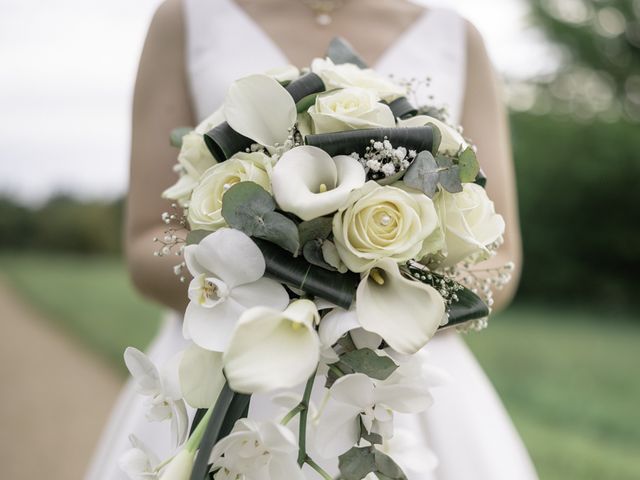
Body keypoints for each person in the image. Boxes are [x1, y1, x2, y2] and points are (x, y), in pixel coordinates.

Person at [87, 0, 538, 478]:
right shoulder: (185, 18)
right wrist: (293, 280)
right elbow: (147, 240)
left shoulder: (456, 36)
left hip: (400, 388)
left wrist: (374, 303)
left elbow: (500, 260)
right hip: (226, 364)